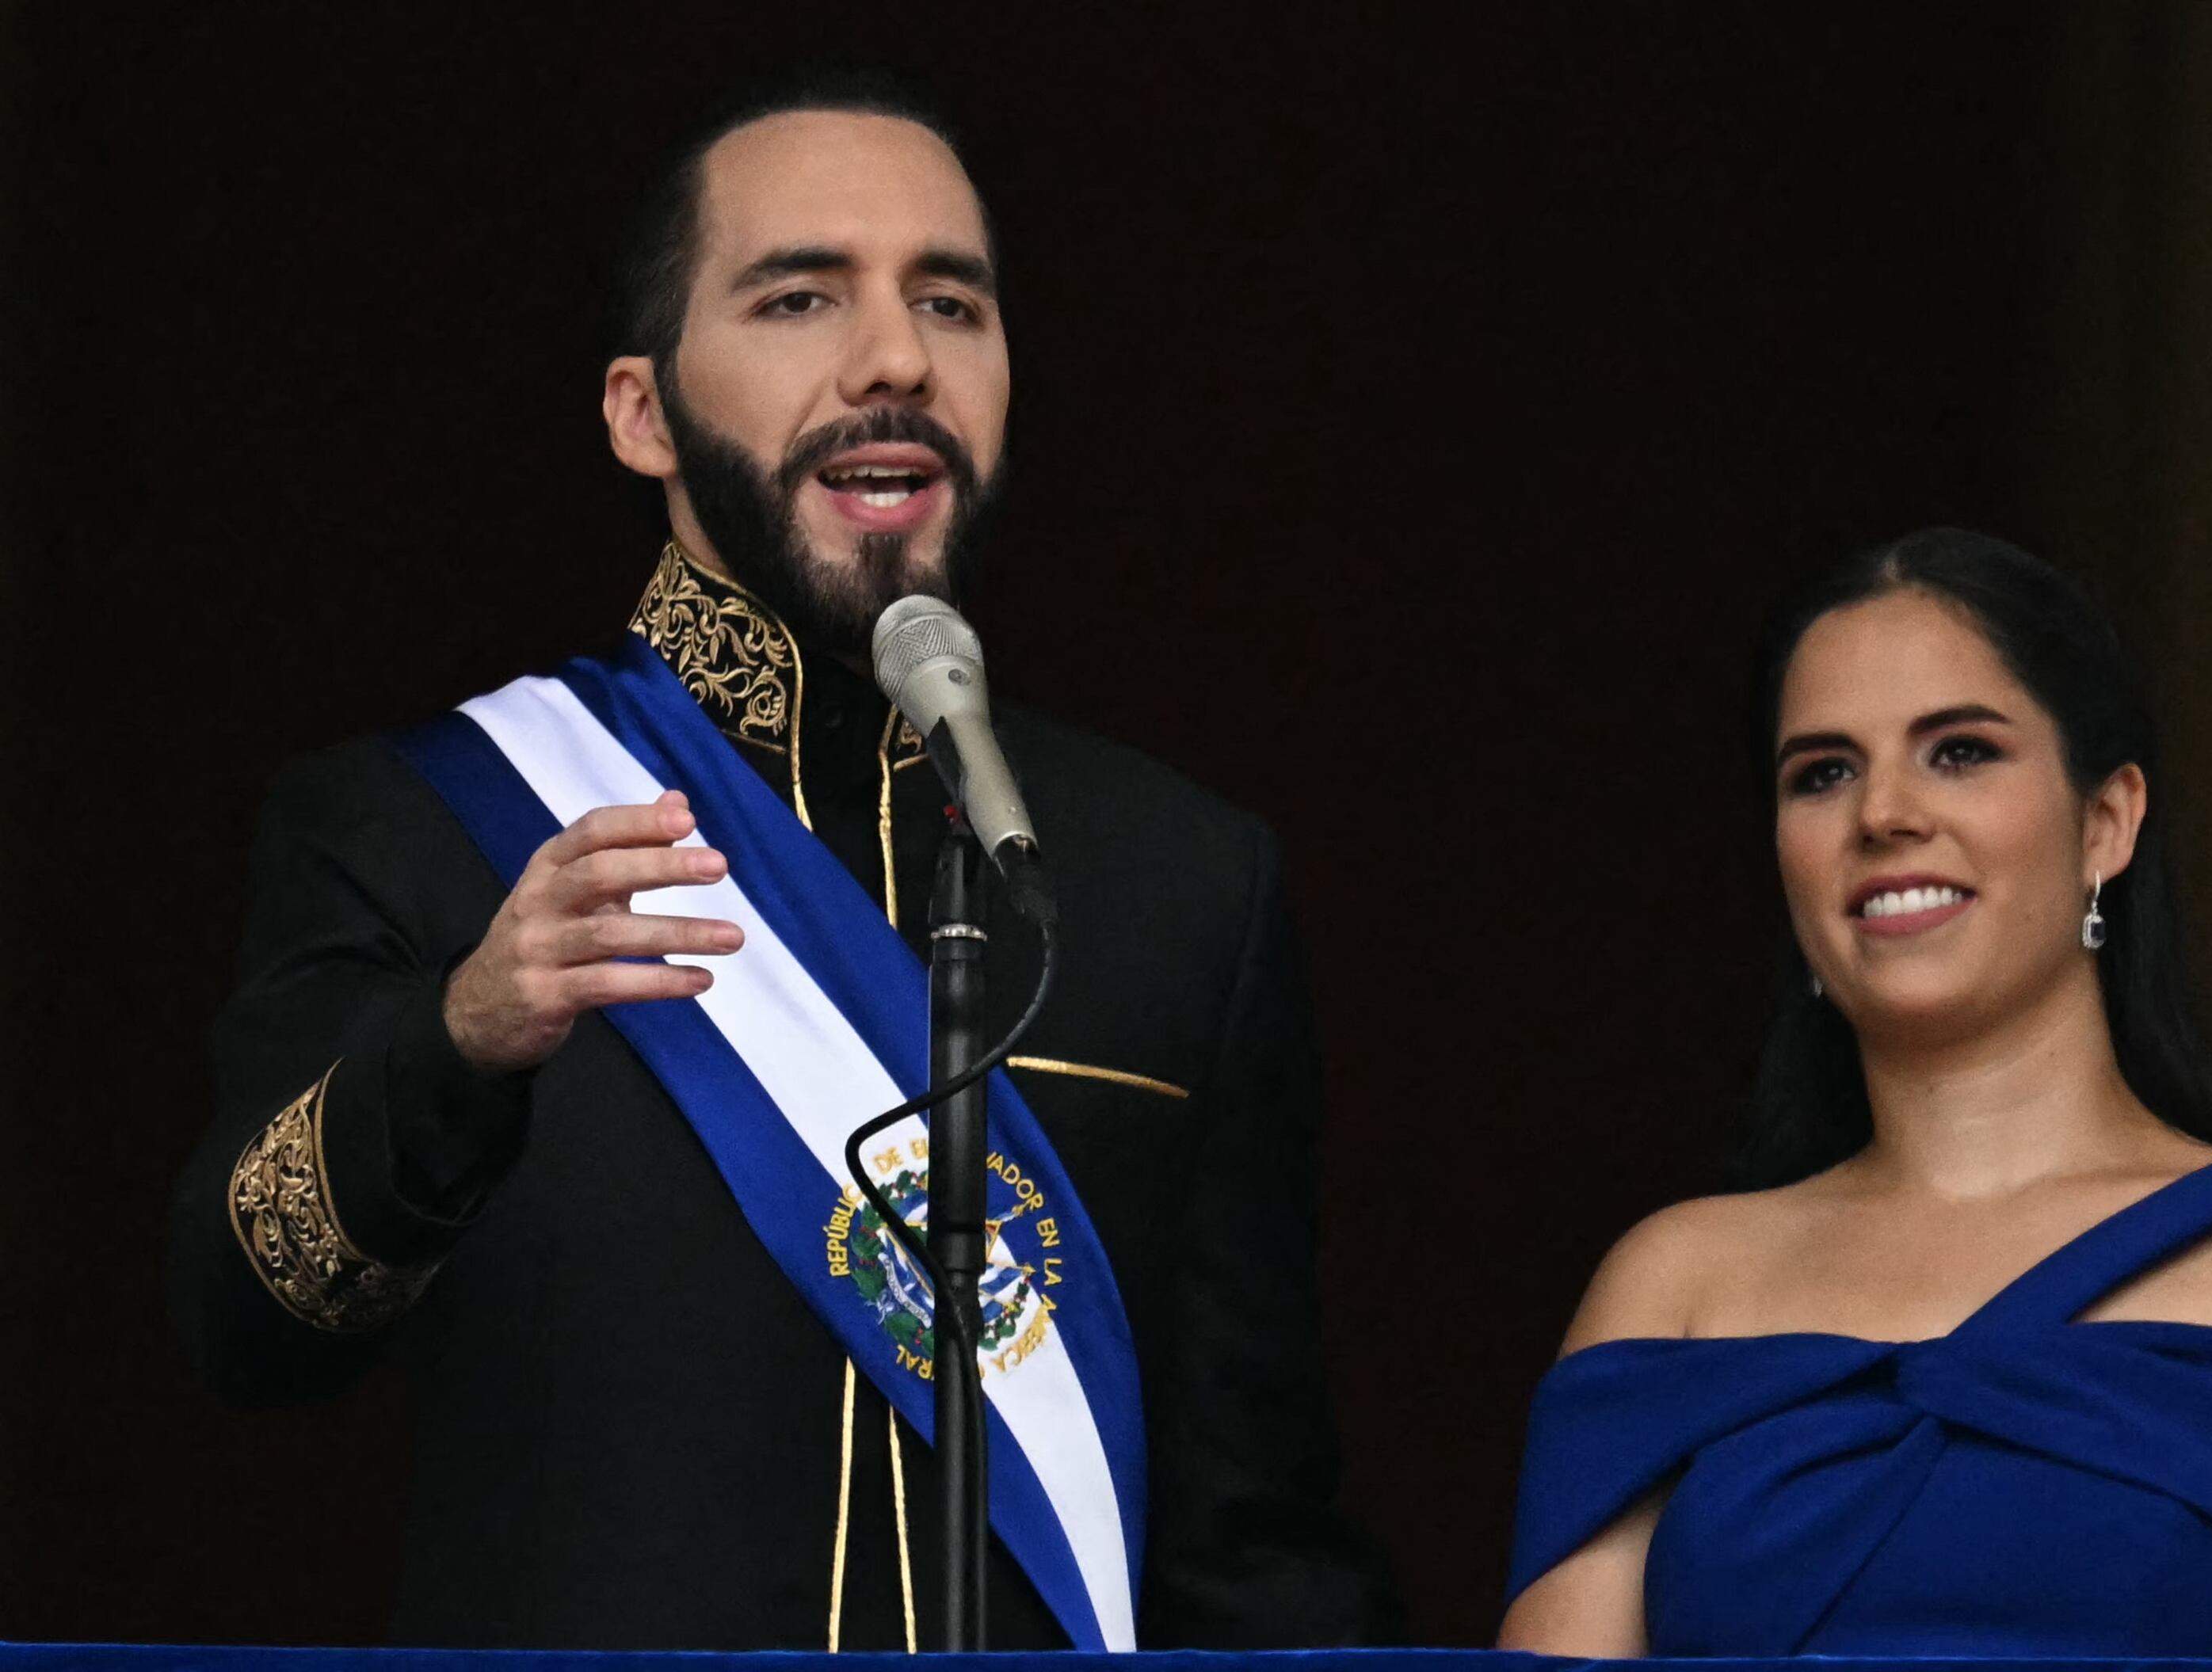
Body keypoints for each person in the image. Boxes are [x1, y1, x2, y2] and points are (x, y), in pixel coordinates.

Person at [169, 64, 1396, 1655]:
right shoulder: (423, 824)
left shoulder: (1178, 883)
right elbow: (242, 1329)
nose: (895, 360)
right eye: (799, 298)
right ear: (641, 410)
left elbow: (1249, 1541)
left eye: (952, 305)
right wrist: (455, 1046)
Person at [1498, 528, 2212, 1662]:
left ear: (2103, 823)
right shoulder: (1670, 1283)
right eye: (1822, 773)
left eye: (1958, 751)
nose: (1882, 815)